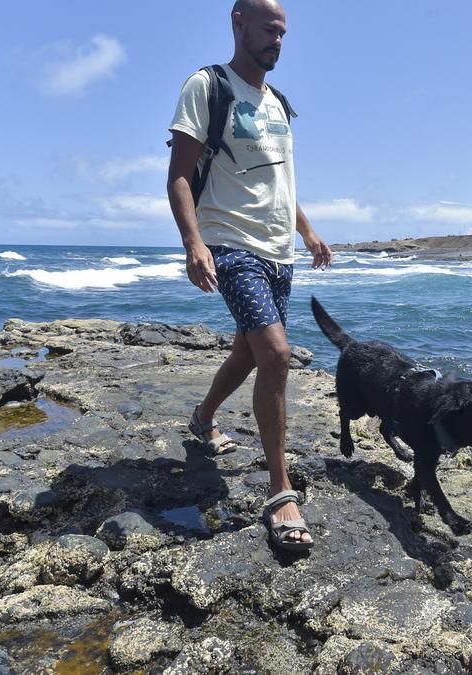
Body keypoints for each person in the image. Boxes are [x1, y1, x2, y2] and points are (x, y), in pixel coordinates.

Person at [166, 0, 331, 551]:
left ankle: (202, 417)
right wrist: (194, 244)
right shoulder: (207, 86)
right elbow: (179, 178)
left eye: (283, 33)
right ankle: (281, 491)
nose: (276, 41)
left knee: (248, 352)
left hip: (279, 251)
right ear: (238, 23)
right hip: (232, 246)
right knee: (277, 354)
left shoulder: (279, 104)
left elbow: (283, 185)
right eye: (268, 30)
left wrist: (307, 232)